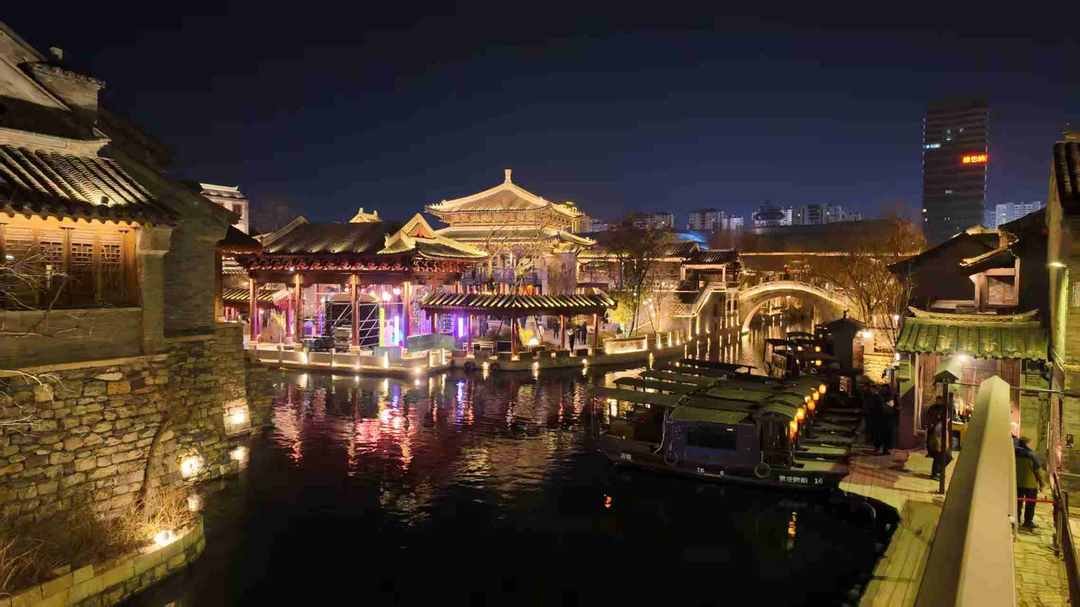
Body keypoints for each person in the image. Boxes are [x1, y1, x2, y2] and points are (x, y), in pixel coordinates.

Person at [1015, 436, 1044, 529]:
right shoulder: (1032, 455)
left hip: (1017, 483)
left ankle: (1016, 520)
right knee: (1030, 504)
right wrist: (1042, 484)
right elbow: (1038, 471)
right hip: (1030, 484)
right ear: (1027, 444)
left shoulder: (1014, 453)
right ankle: (1028, 522)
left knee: (1017, 503)